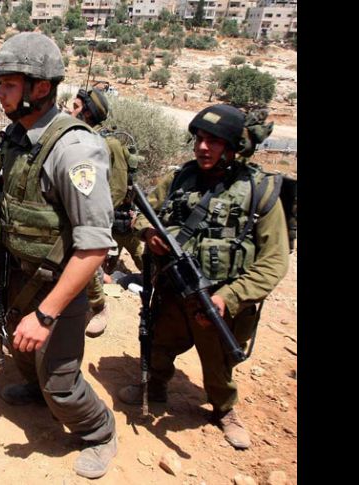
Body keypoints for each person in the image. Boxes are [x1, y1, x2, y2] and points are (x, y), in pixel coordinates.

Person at [0, 32, 118, 479]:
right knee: (19, 347)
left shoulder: (74, 149)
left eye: (8, 84)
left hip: (58, 284)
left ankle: (99, 431)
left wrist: (48, 314)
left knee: (62, 382)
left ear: (39, 88)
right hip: (18, 272)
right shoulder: (18, 136)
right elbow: (9, 190)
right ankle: (36, 390)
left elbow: (94, 247)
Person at [117, 104, 290, 450]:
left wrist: (230, 297)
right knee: (160, 343)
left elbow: (274, 262)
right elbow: (139, 213)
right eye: (199, 138)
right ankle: (156, 385)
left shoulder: (261, 191)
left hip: (219, 300)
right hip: (171, 291)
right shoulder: (180, 178)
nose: (202, 147)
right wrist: (148, 232)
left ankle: (224, 409)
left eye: (213, 141)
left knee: (219, 362)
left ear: (233, 148)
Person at [71, 87, 145, 337]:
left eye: (76, 107)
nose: (70, 110)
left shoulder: (109, 143)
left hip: (113, 218)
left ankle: (100, 307)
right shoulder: (75, 138)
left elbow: (118, 187)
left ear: (89, 114)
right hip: (87, 214)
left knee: (143, 262)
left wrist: (94, 212)